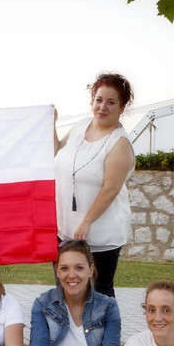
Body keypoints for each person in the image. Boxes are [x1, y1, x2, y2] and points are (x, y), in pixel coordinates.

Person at [54, 72, 135, 297]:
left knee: (100, 294)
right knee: (64, 290)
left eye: (111, 102)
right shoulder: (81, 126)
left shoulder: (119, 144)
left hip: (99, 237)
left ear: (122, 106)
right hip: (65, 230)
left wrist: (86, 222)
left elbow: (111, 189)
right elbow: (55, 152)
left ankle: (104, 333)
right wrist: (51, 124)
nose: (103, 107)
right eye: (99, 100)